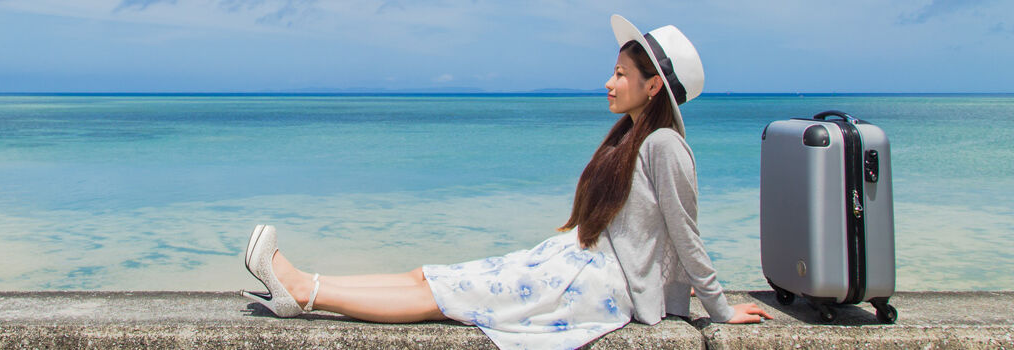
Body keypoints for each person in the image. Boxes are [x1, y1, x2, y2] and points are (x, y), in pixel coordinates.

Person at [238, 15, 772, 349]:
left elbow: (686, 234)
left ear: (653, 86)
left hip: (599, 288)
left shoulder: (663, 146)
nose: (609, 83)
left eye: (621, 75)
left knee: (444, 297)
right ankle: (303, 284)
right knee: (429, 276)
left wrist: (719, 307)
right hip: (576, 261)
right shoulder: (628, 138)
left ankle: (304, 292)